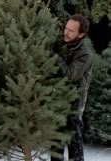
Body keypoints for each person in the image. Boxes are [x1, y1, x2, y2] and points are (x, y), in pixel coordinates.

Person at [51, 14, 92, 161]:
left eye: (71, 31)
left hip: (73, 106)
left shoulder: (85, 55)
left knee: (75, 148)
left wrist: (54, 57)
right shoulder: (65, 44)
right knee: (56, 146)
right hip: (58, 101)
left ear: (81, 34)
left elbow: (70, 75)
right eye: (66, 28)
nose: (65, 32)